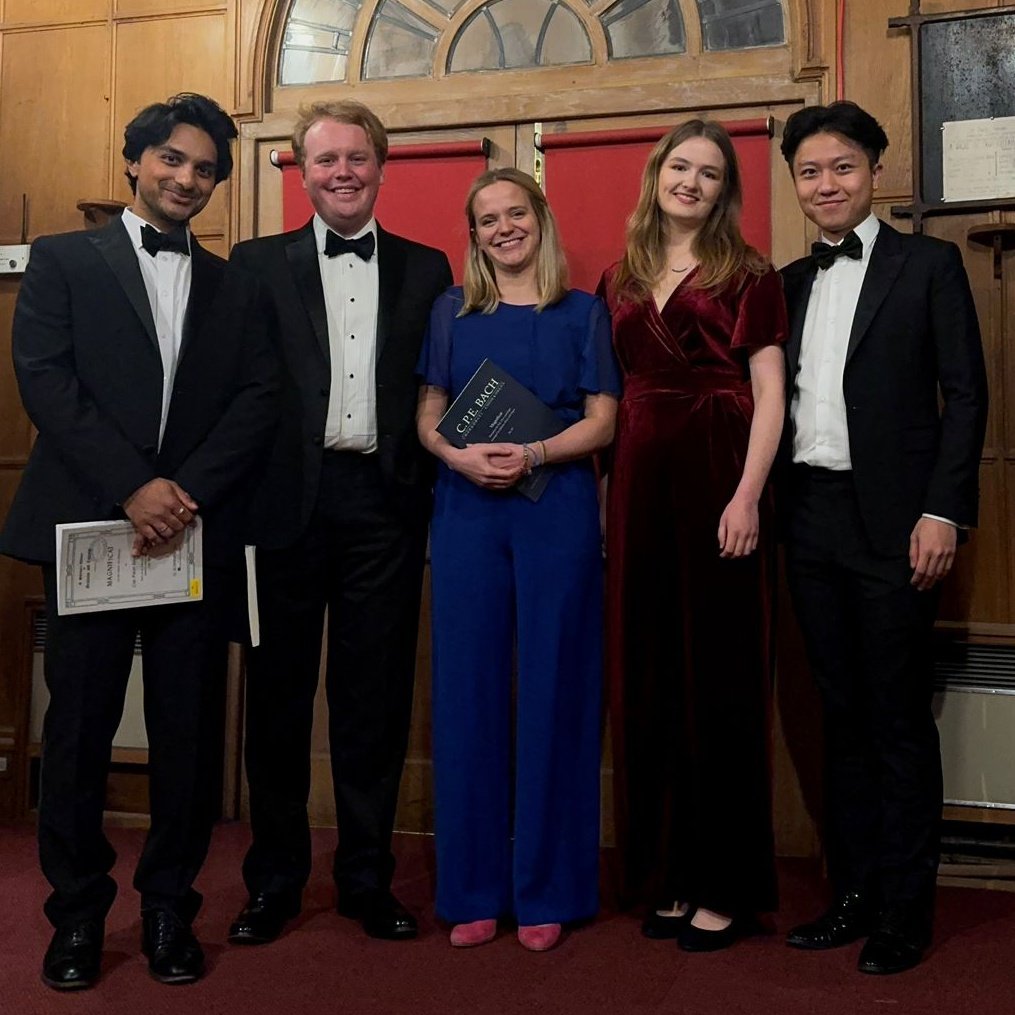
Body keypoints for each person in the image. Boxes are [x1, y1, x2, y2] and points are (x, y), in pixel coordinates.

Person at [0, 93, 279, 989]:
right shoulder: (62, 259)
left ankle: (168, 909)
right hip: (93, 525)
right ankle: (78, 915)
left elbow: (259, 398)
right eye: (171, 159)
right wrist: (133, 485)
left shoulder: (237, 285)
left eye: (204, 169)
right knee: (77, 731)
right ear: (135, 160)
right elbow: (45, 380)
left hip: (190, 533)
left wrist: (181, 495)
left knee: (187, 734)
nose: (186, 178)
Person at [226, 101, 452, 945]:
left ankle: (365, 878)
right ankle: (273, 881)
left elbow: (442, 385)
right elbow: (232, 386)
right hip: (281, 508)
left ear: (381, 166)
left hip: (383, 508)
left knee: (373, 702)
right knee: (277, 702)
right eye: (326, 160)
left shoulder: (428, 268)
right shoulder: (254, 264)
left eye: (357, 157)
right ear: (301, 171)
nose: (343, 172)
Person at [778, 101, 988, 975]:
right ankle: (854, 893)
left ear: (872, 171)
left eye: (841, 167)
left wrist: (943, 510)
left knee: (896, 716)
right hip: (807, 518)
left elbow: (965, 395)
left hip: (899, 525)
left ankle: (905, 910)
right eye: (809, 172)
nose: (825, 184)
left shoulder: (928, 265)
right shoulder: (787, 282)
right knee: (839, 714)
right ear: (795, 184)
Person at [416, 167, 619, 951]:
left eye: (515, 213)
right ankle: (471, 889)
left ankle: (547, 889)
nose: (503, 227)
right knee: (467, 694)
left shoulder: (584, 311)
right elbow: (429, 414)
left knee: (554, 692)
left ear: (540, 218)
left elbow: (602, 422)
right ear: (472, 235)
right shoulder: (451, 311)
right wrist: (456, 456)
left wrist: (534, 452)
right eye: (487, 218)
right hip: (466, 510)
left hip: (555, 510)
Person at [598, 120, 787, 952]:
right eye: (680, 166)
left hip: (719, 477)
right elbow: (608, 398)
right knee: (649, 678)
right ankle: (667, 874)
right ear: (656, 174)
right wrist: (603, 499)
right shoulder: (619, 275)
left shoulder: (749, 274)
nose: (691, 182)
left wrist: (747, 494)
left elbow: (770, 392)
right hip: (638, 485)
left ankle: (725, 884)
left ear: (723, 192)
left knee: (718, 679)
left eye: (709, 173)